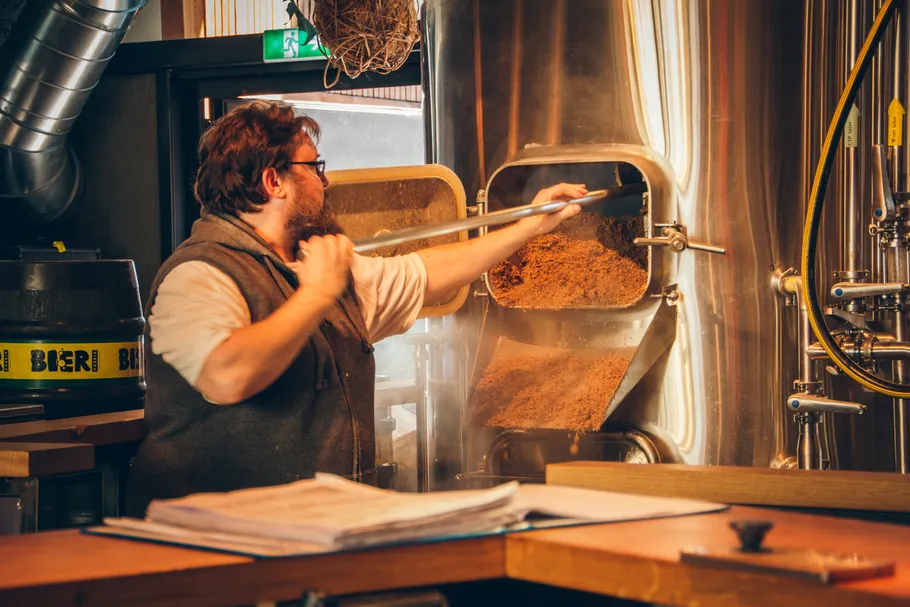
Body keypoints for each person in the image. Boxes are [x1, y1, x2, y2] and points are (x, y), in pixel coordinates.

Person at [125, 100, 587, 516]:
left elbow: (425, 274)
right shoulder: (198, 273)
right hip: (212, 539)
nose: (325, 180)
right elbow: (227, 375)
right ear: (273, 181)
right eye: (314, 166)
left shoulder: (314, 263)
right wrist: (315, 295)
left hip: (311, 529)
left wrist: (530, 226)